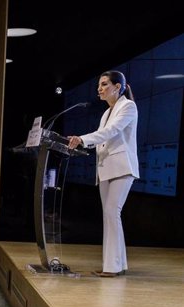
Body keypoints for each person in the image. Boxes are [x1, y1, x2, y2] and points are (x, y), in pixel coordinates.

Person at [67, 70, 139, 278]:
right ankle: (118, 263)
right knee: (110, 216)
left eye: (105, 84)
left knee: (111, 213)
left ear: (118, 87)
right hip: (106, 168)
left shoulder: (128, 106)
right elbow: (102, 138)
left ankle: (112, 267)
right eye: (99, 85)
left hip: (122, 167)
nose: (100, 88)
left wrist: (82, 139)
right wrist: (82, 145)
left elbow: (111, 132)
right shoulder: (106, 112)